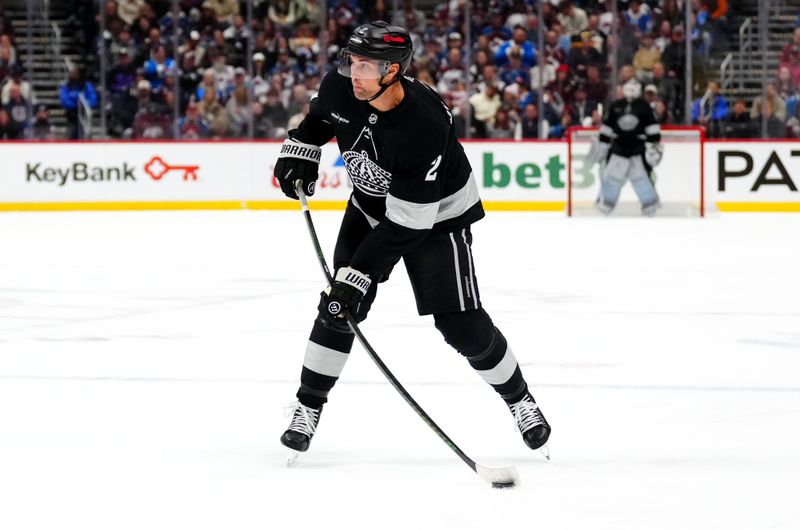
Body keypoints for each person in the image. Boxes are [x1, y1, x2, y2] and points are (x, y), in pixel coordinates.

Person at [273, 21, 551, 457]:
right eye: (352, 61)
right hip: (371, 206)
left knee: (459, 324)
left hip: (435, 219)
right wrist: (300, 150)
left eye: (367, 65)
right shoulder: (341, 85)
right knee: (338, 308)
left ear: (394, 70)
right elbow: (319, 119)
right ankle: (307, 407)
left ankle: (520, 400)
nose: (355, 73)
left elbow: (409, 223)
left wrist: (358, 273)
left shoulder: (423, 123)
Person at [588, 79, 663, 216]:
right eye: (629, 87)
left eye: (635, 87)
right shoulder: (615, 106)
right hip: (618, 147)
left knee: (641, 178)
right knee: (611, 178)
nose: (632, 90)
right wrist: (602, 146)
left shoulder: (644, 106)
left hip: (638, 149)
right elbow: (606, 129)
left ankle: (650, 205)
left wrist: (654, 146)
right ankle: (605, 205)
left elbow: (652, 129)